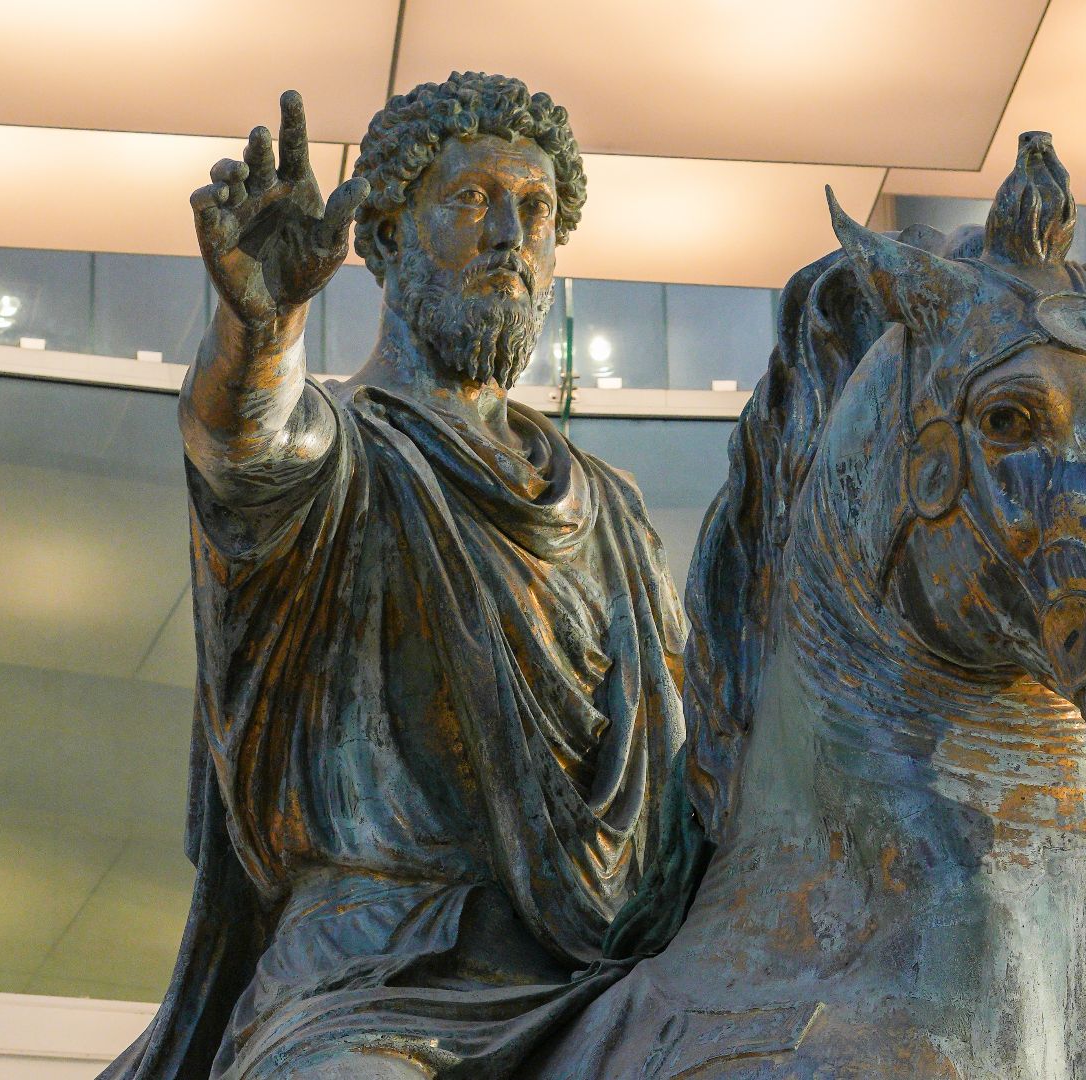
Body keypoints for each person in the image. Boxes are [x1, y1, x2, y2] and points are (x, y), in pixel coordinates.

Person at [102, 72, 689, 1080]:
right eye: (470, 202)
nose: (511, 233)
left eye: (537, 210)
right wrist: (261, 331)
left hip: (603, 967)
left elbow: (692, 758)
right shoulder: (344, 458)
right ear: (382, 240)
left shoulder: (611, 508)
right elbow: (248, 447)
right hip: (375, 974)